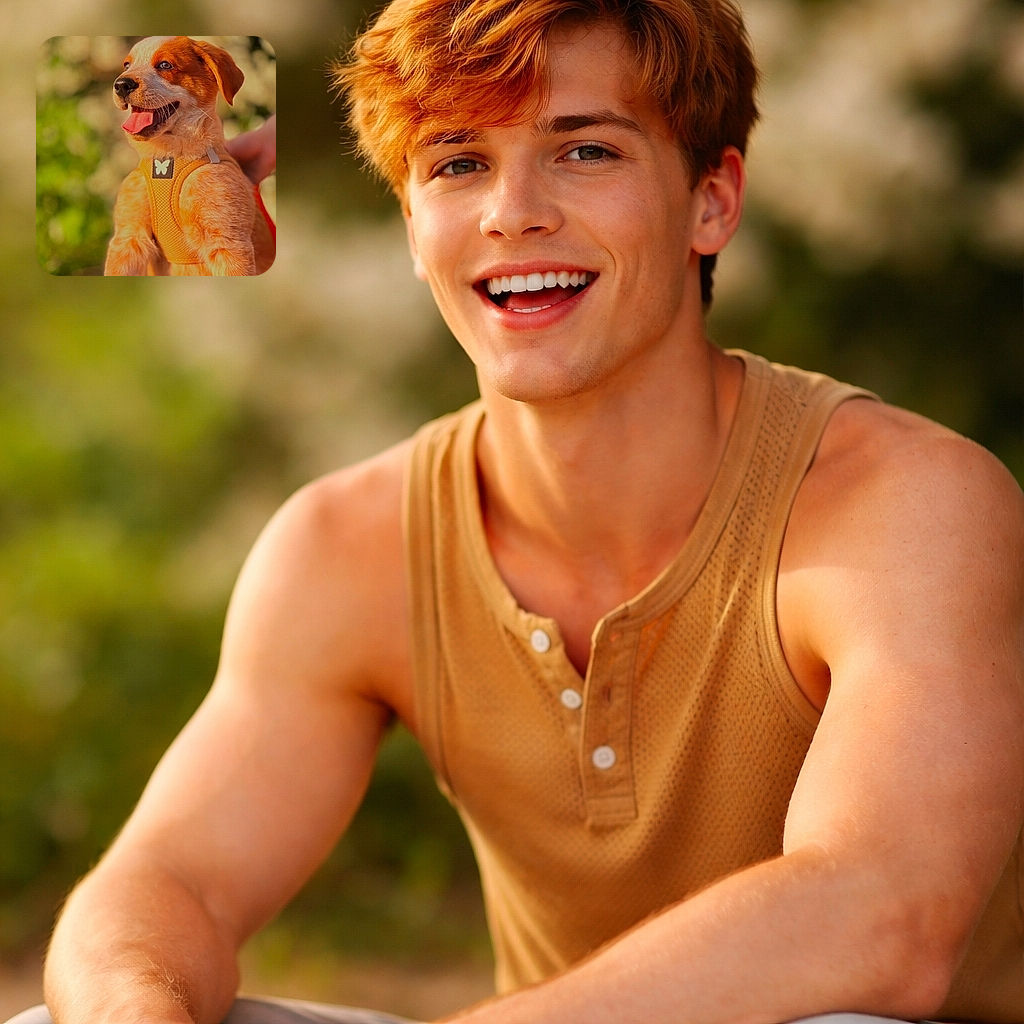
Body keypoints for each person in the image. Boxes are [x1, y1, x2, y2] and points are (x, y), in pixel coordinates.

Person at [12, 1, 1024, 1023]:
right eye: (456, 164)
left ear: (710, 201)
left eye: (583, 150)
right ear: (412, 225)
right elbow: (166, 885)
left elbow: (886, 917)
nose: (512, 212)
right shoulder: (347, 545)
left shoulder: (903, 502)